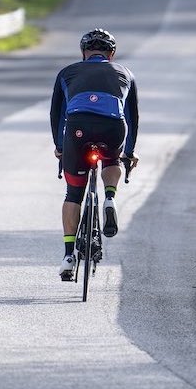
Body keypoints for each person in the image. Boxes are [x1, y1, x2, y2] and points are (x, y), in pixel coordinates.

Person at [50, 28, 139, 280]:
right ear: (112, 54)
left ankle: (69, 256)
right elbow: (132, 117)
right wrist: (129, 153)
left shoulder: (67, 72)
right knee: (112, 158)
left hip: (77, 128)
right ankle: (109, 197)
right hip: (113, 128)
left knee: (73, 193)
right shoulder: (126, 73)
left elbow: (57, 114)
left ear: (83, 53)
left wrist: (60, 147)